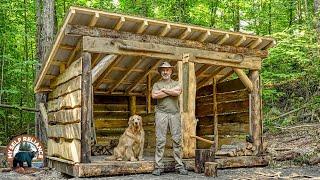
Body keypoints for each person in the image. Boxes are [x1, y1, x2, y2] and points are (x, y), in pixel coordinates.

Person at [151, 61, 188, 176]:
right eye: (163, 70)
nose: (165, 71)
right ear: (160, 72)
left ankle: (179, 166)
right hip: (161, 114)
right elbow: (154, 95)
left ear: (171, 71)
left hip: (174, 114)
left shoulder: (176, 83)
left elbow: (177, 92)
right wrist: (170, 92)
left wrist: (163, 91)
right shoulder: (156, 84)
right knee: (160, 140)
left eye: (167, 69)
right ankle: (158, 167)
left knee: (177, 140)